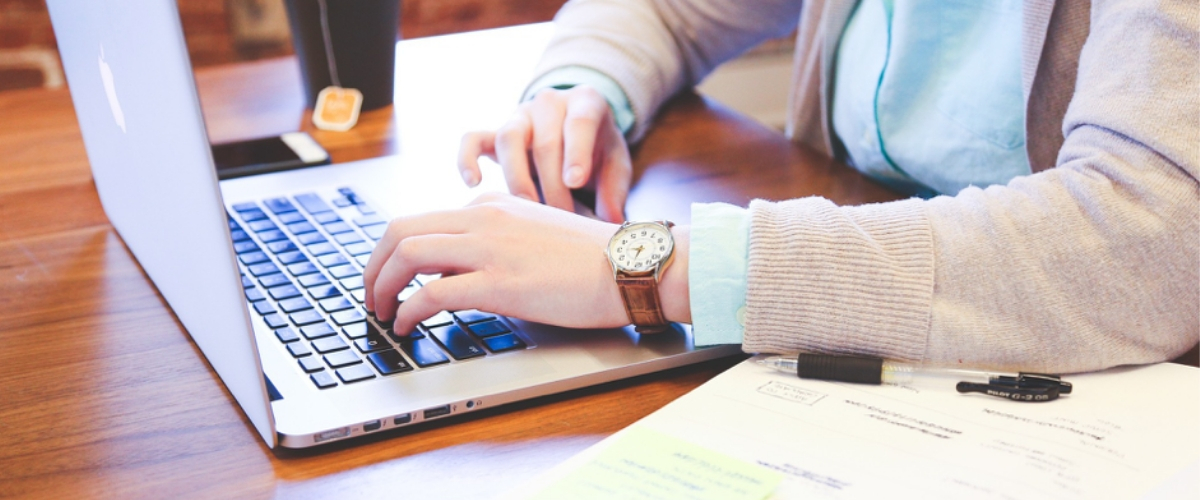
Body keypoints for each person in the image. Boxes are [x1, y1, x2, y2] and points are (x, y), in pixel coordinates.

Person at [363, 0, 1199, 373]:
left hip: (1070, 377)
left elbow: (1147, 236)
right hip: (851, 340)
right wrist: (580, 92)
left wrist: (644, 269)